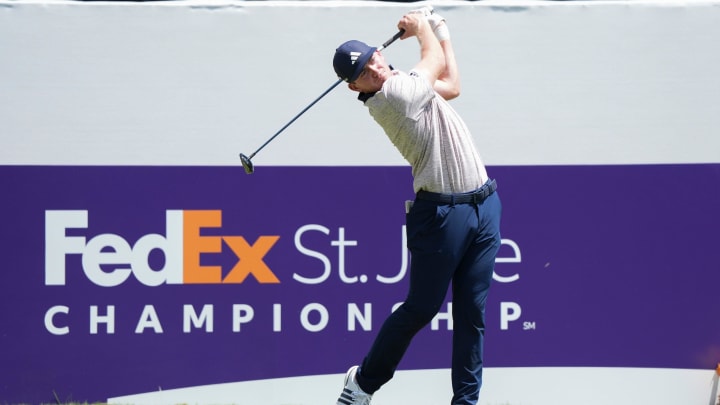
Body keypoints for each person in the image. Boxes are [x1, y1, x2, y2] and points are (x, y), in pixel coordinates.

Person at [331, 7, 502, 405]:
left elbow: (452, 84)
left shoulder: (408, 83)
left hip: (484, 204)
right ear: (355, 87)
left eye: (373, 57)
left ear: (379, 52)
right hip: (440, 215)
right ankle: (363, 383)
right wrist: (423, 27)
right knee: (421, 308)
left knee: (472, 314)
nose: (374, 68)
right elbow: (435, 62)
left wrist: (441, 31)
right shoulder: (390, 97)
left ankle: (466, 402)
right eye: (362, 73)